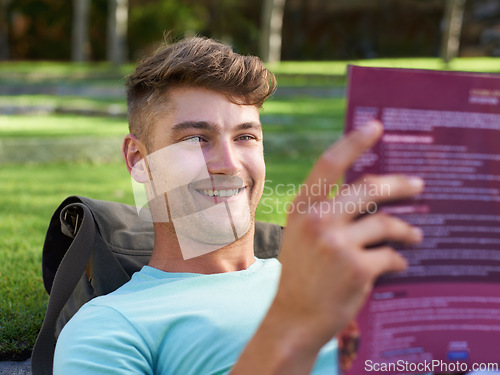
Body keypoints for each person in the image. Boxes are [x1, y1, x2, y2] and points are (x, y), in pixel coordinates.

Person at [53, 36, 424, 374]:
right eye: (197, 138)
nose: (229, 164)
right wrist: (291, 324)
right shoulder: (111, 325)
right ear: (138, 159)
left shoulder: (338, 275)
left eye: (245, 136)